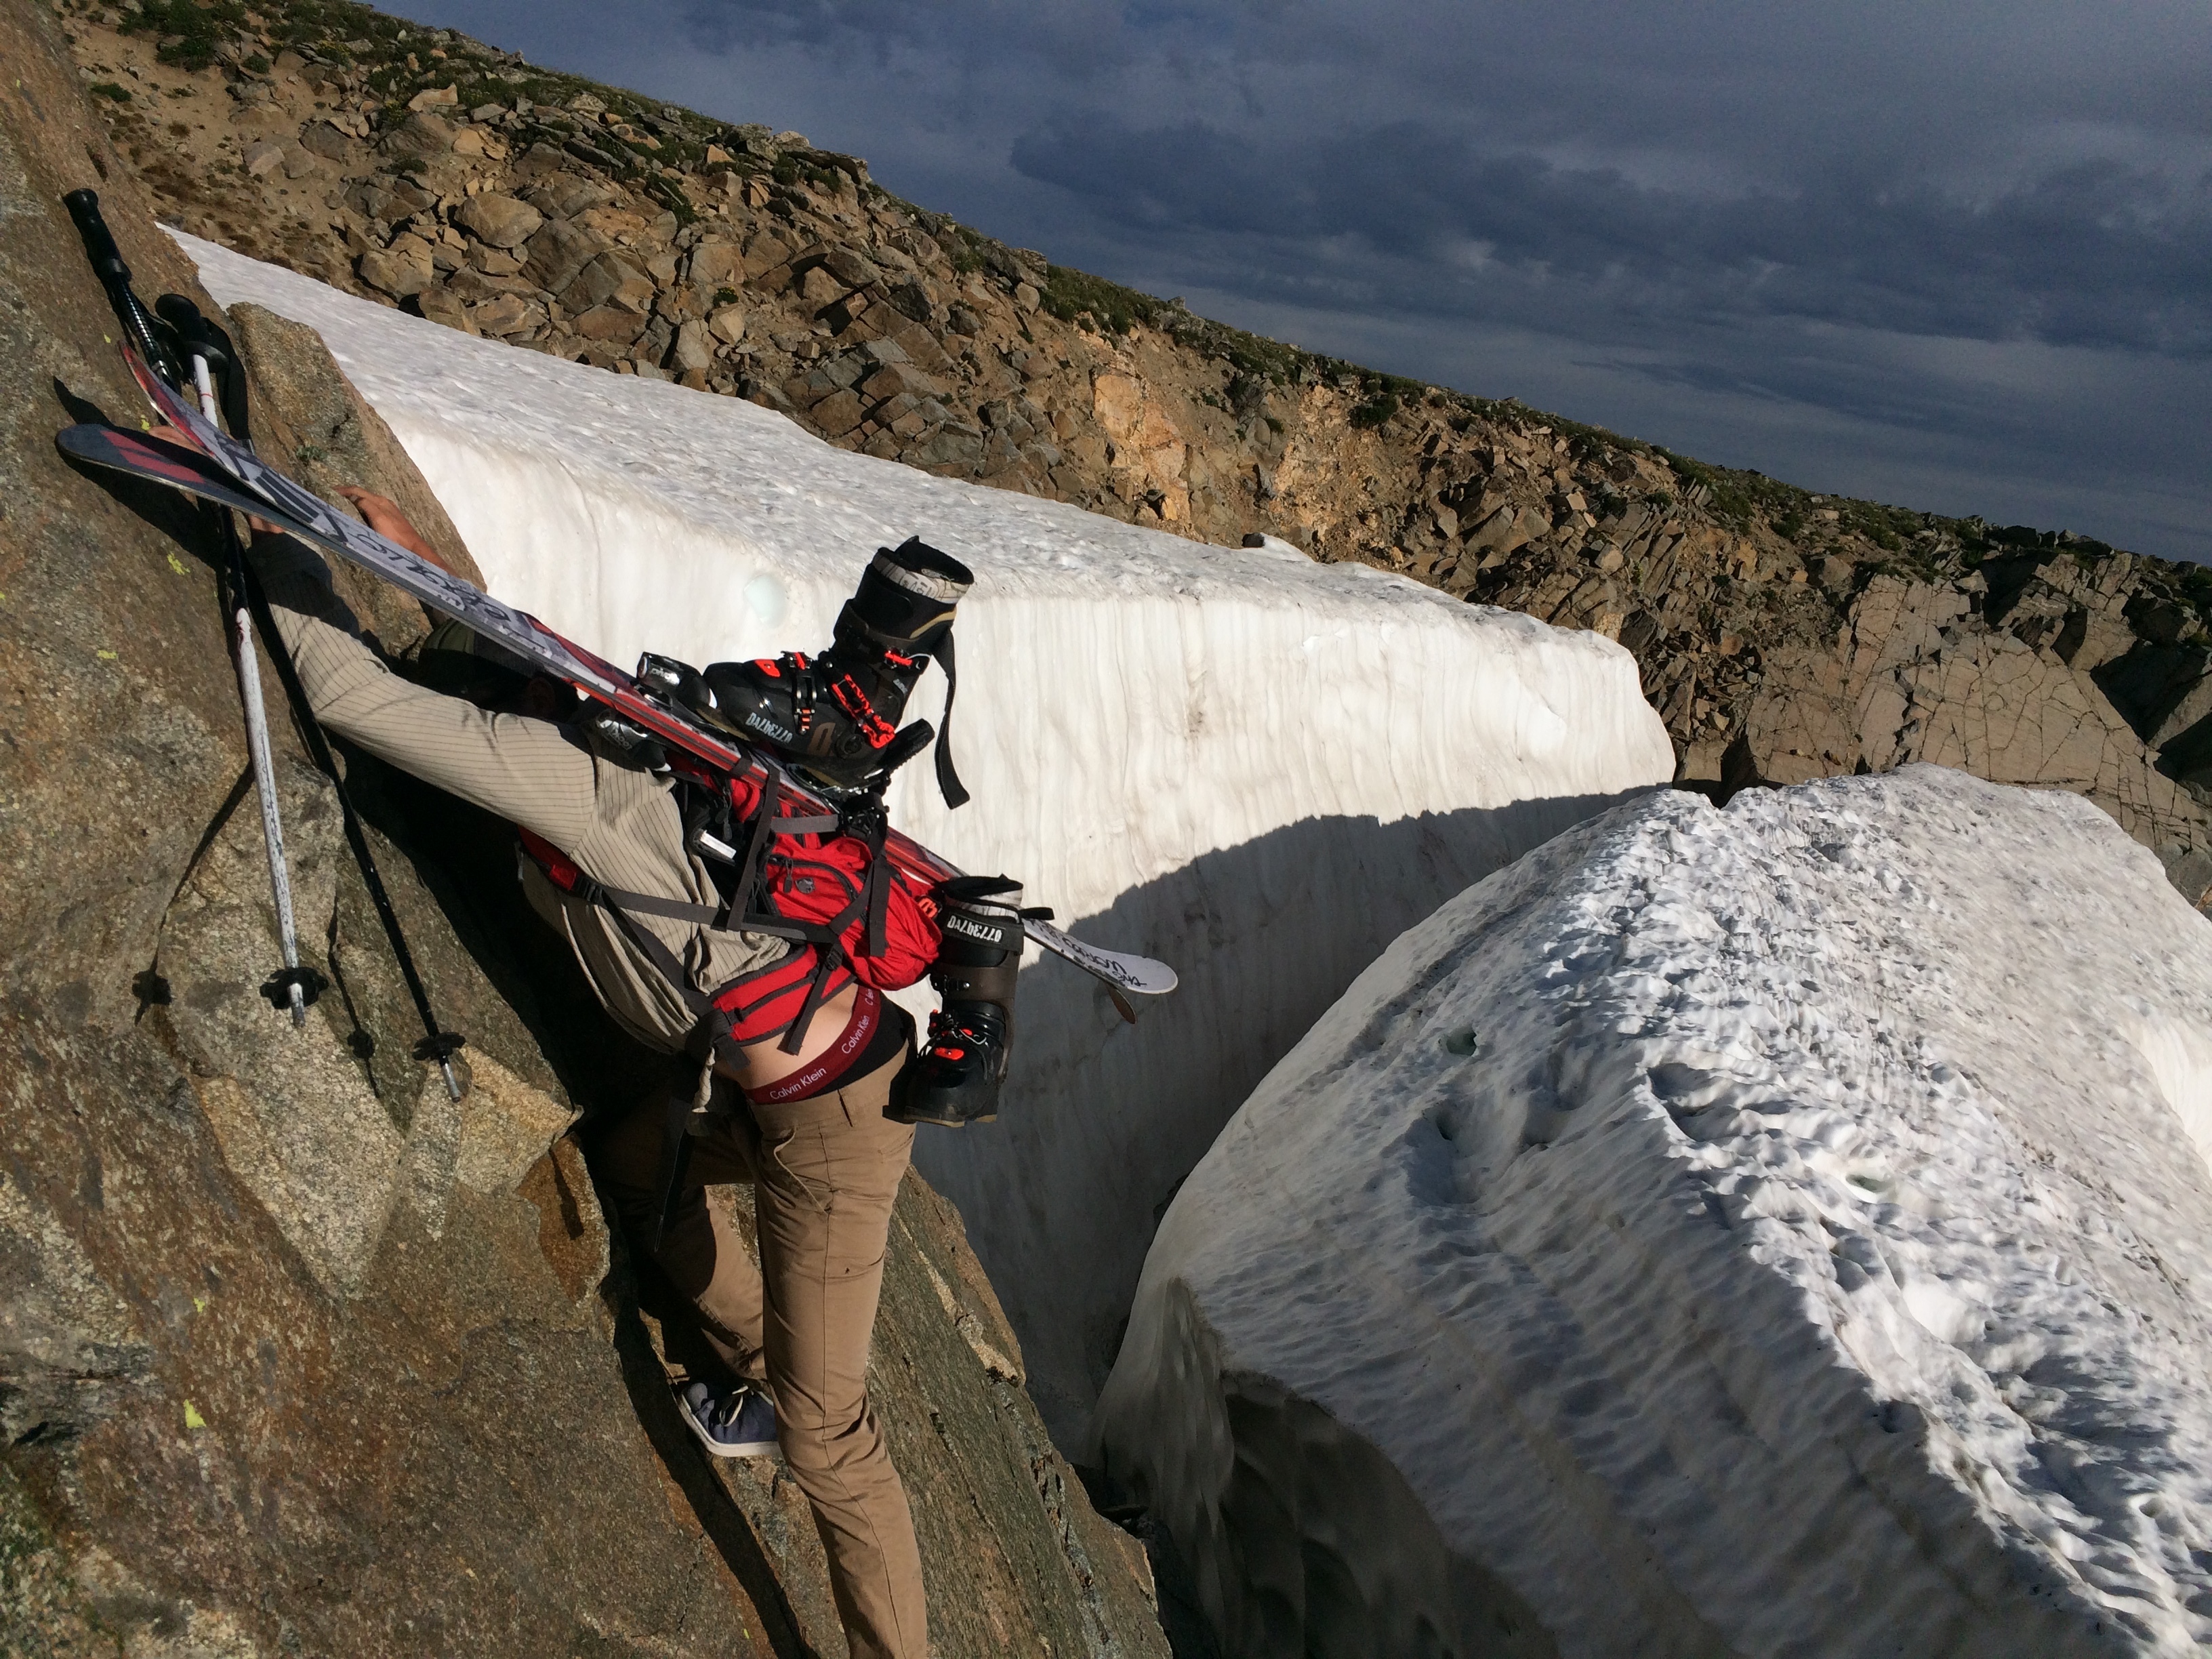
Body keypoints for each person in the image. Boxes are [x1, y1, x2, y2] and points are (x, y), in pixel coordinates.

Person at [245, 486, 1021, 1659]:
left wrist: (273, 543)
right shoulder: (665, 753)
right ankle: (759, 1372)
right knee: (634, 1174)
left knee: (832, 1444)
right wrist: (400, 557)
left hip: (833, 1125)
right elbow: (542, 659)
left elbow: (349, 695)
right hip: (753, 1083)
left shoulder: (589, 793)